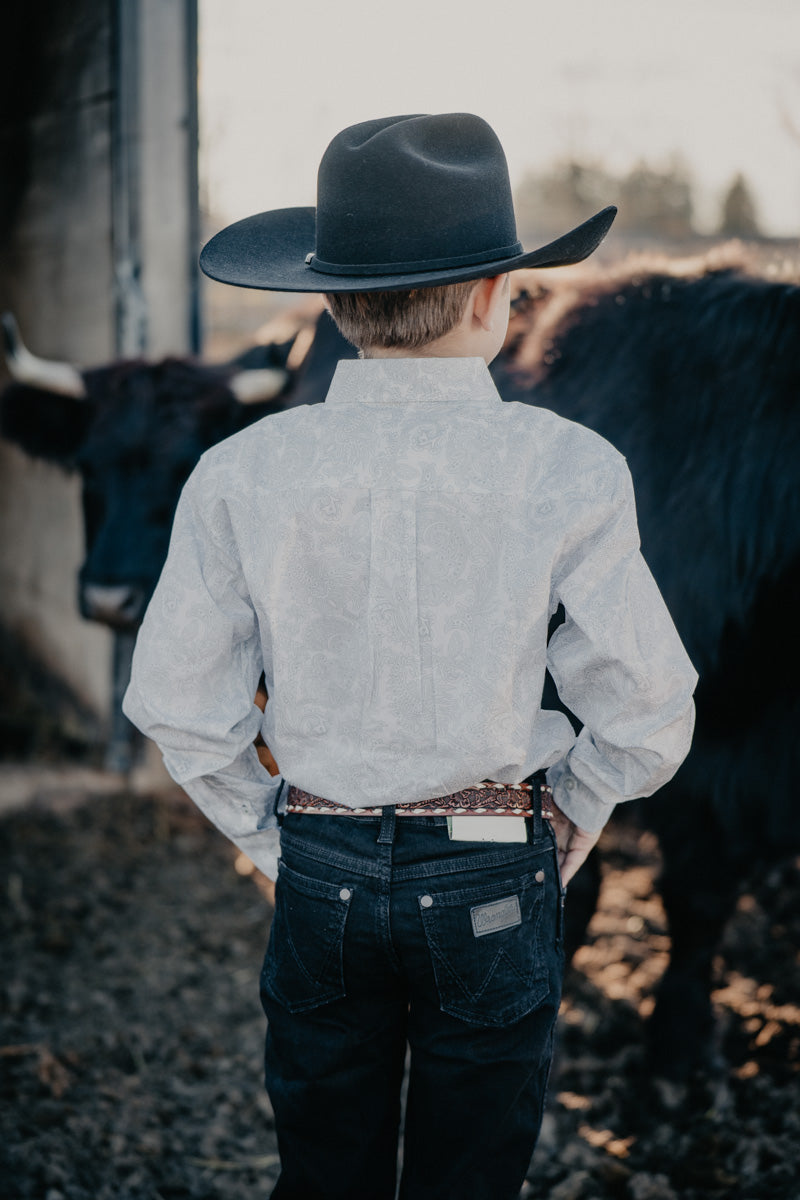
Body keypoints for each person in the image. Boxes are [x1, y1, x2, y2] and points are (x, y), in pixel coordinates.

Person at [123, 113, 697, 1200]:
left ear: (336, 304)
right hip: (494, 864)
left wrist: (275, 839)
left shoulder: (243, 470)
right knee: (469, 1177)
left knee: (322, 1172)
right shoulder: (568, 466)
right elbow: (649, 708)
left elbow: (177, 703)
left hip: (321, 864)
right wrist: (569, 816)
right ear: (494, 297)